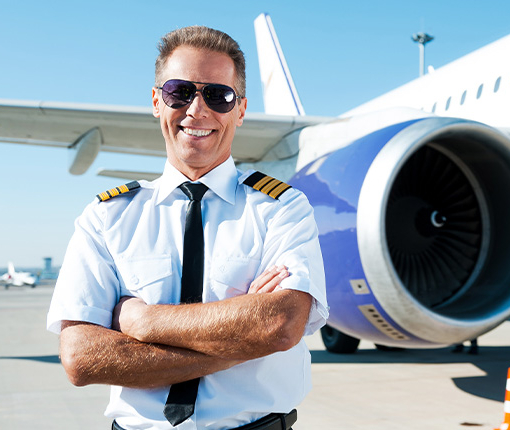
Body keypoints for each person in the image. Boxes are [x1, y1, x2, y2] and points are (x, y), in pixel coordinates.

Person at [47, 26, 328, 430]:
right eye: (180, 91)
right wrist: (242, 339)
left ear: (241, 109)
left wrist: (143, 323)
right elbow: (81, 358)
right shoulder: (106, 216)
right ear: (157, 101)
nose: (197, 110)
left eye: (218, 95)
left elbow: (279, 324)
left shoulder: (281, 209)